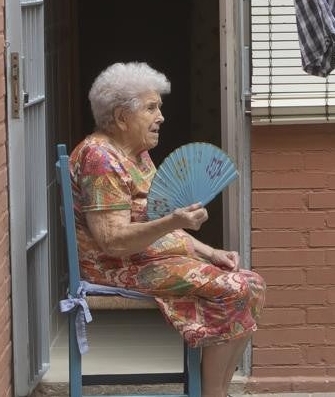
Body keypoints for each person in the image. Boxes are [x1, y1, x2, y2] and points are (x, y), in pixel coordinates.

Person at [70, 62, 264, 397]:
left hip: (150, 258)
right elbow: (113, 242)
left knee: (253, 284)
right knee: (234, 288)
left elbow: (155, 218)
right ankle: (212, 393)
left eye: (159, 107)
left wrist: (210, 251)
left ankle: (217, 388)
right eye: (151, 108)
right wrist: (175, 221)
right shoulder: (100, 159)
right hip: (117, 267)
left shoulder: (138, 154)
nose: (161, 117)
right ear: (120, 117)